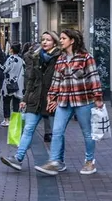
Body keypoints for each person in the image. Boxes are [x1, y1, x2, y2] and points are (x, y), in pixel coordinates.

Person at [36, 29, 104, 177]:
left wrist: (98, 98)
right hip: (64, 101)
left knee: (87, 133)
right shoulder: (60, 59)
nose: (61, 41)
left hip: (83, 100)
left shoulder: (86, 58)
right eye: (60, 38)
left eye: (63, 38)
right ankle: (54, 162)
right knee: (57, 131)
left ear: (72, 40)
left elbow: (94, 78)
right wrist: (51, 97)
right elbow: (56, 80)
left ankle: (89, 161)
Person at [2, 32, 58, 171]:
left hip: (52, 99)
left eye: (48, 40)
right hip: (35, 99)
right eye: (43, 39)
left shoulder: (59, 58)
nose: (44, 42)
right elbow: (31, 79)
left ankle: (57, 161)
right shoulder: (37, 57)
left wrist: (58, 97)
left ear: (55, 43)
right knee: (28, 129)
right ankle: (18, 158)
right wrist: (25, 99)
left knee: (57, 133)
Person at [1, 43, 25, 126]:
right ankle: (15, 121)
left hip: (9, 83)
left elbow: (4, 69)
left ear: (11, 49)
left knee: (6, 102)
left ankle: (6, 120)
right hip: (18, 84)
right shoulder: (22, 60)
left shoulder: (10, 59)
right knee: (16, 103)